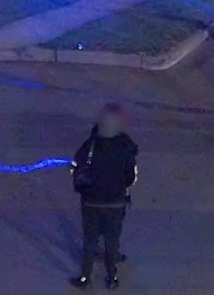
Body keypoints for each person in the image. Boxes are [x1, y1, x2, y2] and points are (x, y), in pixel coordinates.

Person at [70, 104, 138, 290]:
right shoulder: (126, 146)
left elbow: (77, 169)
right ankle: (112, 276)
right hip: (116, 202)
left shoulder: (90, 146)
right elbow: (130, 178)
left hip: (91, 202)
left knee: (90, 239)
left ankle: (85, 277)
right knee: (112, 238)